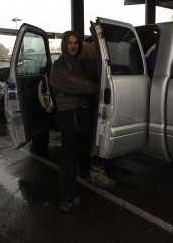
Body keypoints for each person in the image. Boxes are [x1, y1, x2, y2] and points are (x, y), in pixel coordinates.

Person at [50, 31, 115, 213]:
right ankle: (66, 199)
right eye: (69, 43)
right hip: (69, 117)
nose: (73, 46)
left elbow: (98, 65)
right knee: (69, 160)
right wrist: (100, 87)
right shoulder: (59, 66)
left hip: (82, 116)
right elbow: (75, 84)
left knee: (83, 153)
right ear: (64, 45)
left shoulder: (79, 64)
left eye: (76, 43)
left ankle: (89, 175)